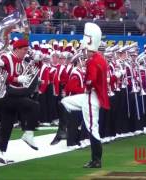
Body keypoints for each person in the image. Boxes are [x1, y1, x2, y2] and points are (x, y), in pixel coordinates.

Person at [61, 22, 110, 168]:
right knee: (65, 102)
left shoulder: (93, 61)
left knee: (91, 127)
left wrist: (88, 87)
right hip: (95, 96)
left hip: (91, 95)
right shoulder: (101, 59)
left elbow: (91, 80)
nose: (84, 52)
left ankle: (96, 159)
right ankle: (62, 130)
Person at [0, 39, 39, 156]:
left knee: (7, 125)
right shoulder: (6, 57)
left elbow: (27, 76)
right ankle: (28, 133)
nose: (26, 52)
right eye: (24, 50)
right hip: (6, 94)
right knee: (34, 106)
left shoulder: (22, 61)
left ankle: (0, 152)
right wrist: (15, 79)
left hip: (15, 94)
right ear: (16, 49)